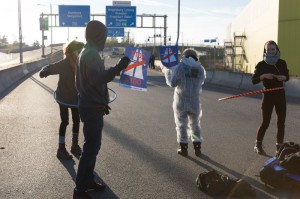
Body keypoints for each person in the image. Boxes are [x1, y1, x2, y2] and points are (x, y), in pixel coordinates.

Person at [73, 20, 131, 199]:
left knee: (93, 147)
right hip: (91, 107)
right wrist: (119, 67)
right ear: (97, 35)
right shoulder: (90, 53)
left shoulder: (90, 51)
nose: (105, 38)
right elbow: (98, 78)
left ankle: (88, 180)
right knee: (90, 149)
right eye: (104, 35)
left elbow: (89, 82)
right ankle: (80, 190)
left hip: (92, 105)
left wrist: (99, 101)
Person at [39, 40, 84, 160]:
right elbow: (50, 67)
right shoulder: (64, 63)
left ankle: (74, 145)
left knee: (76, 120)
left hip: (75, 98)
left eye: (82, 51)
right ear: (72, 52)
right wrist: (45, 71)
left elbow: (91, 79)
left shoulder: (81, 63)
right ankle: (61, 148)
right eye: (79, 51)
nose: (81, 53)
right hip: (63, 96)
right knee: (65, 121)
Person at [164, 48, 206, 157]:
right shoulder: (200, 69)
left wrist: (168, 71)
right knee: (195, 125)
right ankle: (197, 149)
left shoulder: (180, 67)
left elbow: (172, 83)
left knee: (182, 125)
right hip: (195, 102)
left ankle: (184, 149)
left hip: (181, 101)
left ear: (185, 56)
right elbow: (201, 81)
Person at [252, 40, 289, 155]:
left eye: (273, 49)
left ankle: (279, 146)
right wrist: (263, 76)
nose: (271, 51)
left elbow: (287, 76)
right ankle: (258, 144)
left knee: (281, 122)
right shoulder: (261, 64)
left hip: (280, 95)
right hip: (268, 95)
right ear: (265, 51)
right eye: (268, 50)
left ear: (277, 50)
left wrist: (283, 77)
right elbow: (254, 80)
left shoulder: (282, 63)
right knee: (265, 122)